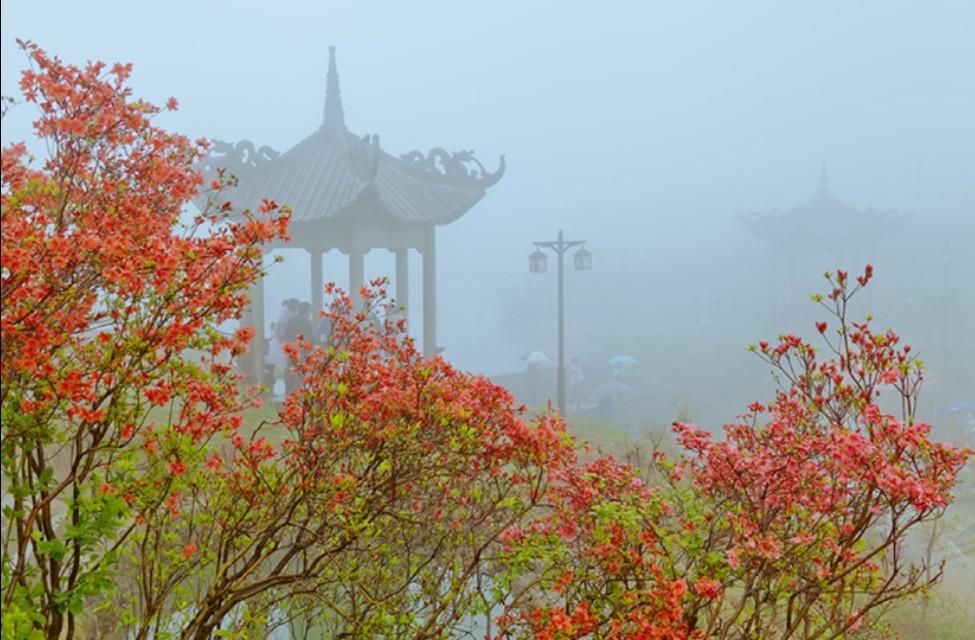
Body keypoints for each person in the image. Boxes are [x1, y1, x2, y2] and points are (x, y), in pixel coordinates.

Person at [283, 301, 313, 395]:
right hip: (301, 348)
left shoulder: (291, 320)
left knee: (290, 368)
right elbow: (309, 337)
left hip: (291, 348)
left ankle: (288, 389)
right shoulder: (306, 322)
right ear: (307, 311)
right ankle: (299, 390)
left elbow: (287, 334)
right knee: (300, 370)